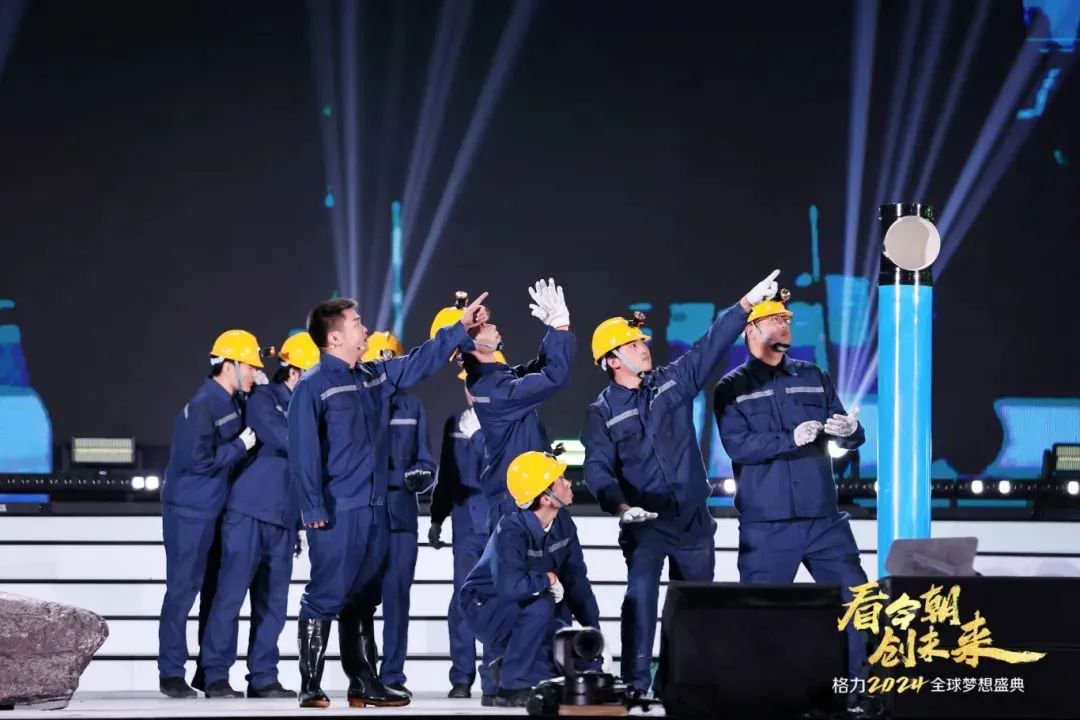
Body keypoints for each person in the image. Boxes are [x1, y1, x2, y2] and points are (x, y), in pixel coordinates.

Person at [581, 270, 781, 696]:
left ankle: (680, 682)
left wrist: (744, 305)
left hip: (692, 521)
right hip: (646, 524)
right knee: (640, 601)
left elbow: (709, 346)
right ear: (612, 361)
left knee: (695, 605)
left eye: (642, 342)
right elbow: (598, 469)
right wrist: (621, 508)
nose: (644, 347)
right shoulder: (602, 412)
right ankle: (635, 683)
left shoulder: (672, 381)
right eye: (633, 345)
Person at [289, 293, 487, 708]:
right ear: (334, 337)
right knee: (326, 594)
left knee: (364, 597)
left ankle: (363, 681)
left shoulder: (372, 376)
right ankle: (310, 686)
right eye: (356, 322)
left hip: (377, 510)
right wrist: (312, 508)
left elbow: (419, 361)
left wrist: (458, 329)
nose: (364, 327)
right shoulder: (312, 386)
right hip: (338, 511)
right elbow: (303, 453)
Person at [713, 292, 867, 683]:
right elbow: (738, 446)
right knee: (762, 617)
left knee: (860, 606)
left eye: (787, 320)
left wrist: (850, 431)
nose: (785, 326)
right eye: (775, 320)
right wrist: (790, 438)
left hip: (824, 521)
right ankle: (764, 698)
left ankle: (859, 693)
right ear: (750, 330)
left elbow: (845, 430)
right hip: (768, 527)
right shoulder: (731, 387)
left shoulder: (814, 376)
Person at [198, 331, 320, 698]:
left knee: (273, 604)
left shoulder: (313, 409)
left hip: (284, 520)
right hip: (248, 512)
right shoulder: (265, 398)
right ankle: (216, 674)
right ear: (296, 372)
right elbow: (284, 439)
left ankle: (263, 677)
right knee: (230, 596)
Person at [158, 330, 263, 698]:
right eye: (250, 366)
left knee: (215, 593)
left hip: (215, 510)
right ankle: (171, 674)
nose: (254, 373)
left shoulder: (231, 401)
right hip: (190, 512)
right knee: (182, 591)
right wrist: (239, 446)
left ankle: (209, 673)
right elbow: (197, 461)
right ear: (229, 365)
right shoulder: (203, 405)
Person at [459, 451, 600, 707]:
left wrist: (594, 633)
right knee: (541, 603)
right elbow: (510, 587)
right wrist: (547, 578)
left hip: (520, 603)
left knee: (566, 643)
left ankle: (501, 673)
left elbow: (576, 580)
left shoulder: (563, 524)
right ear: (546, 498)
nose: (569, 482)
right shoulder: (511, 530)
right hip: (483, 607)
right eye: (561, 479)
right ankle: (510, 688)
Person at [429, 280, 574, 530]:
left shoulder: (492, 378)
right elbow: (553, 377)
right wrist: (561, 326)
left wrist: (553, 330)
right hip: (518, 506)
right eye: (481, 326)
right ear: (465, 344)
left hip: (526, 497)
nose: (492, 326)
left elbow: (536, 369)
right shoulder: (494, 389)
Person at [357, 331, 437, 698]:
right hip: (366, 516)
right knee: (359, 600)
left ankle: (392, 675)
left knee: (397, 598)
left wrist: (422, 474)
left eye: (392, 360)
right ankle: (363, 674)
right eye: (380, 360)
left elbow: (426, 459)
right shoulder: (356, 405)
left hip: (402, 515)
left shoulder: (413, 407)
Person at [427, 363, 502, 701]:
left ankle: (494, 676)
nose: (471, 390)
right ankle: (461, 676)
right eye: (468, 384)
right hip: (465, 522)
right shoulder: (455, 424)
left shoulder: (508, 421)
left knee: (497, 597)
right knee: (463, 597)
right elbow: (447, 475)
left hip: (499, 522)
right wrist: (437, 517)